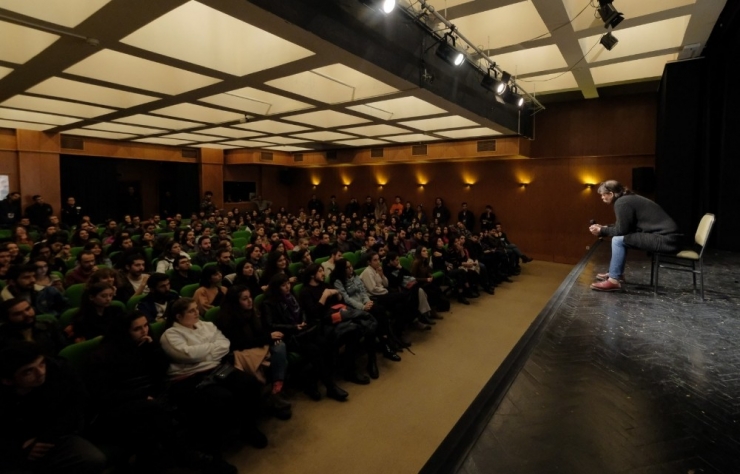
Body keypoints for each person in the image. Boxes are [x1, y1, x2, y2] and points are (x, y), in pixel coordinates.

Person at [160, 298, 267, 452]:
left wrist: (204, 353)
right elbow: (188, 355)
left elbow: (225, 344)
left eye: (196, 308)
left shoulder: (206, 325)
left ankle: (248, 428)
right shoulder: (170, 334)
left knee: (249, 384)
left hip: (215, 368)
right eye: (191, 310)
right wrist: (212, 349)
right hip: (189, 376)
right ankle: (215, 450)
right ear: (178, 316)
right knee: (221, 398)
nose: (197, 312)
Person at [0, 342, 107, 474]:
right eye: (28, 371)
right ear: (7, 381)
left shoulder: (59, 370)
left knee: (93, 459)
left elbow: (76, 406)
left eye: (41, 364)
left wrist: (47, 438)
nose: (41, 372)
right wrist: (18, 448)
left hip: (53, 435)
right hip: (15, 446)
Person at [589, 180, 681, 292]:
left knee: (618, 240)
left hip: (665, 239)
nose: (602, 198)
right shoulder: (628, 199)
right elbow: (626, 226)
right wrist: (604, 227)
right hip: (670, 238)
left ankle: (613, 280)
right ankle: (616, 274)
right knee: (621, 238)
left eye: (603, 195)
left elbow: (622, 230)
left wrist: (602, 230)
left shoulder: (622, 202)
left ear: (611, 194)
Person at [216, 285, 292, 419]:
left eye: (250, 297)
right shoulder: (227, 318)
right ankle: (276, 393)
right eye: (245, 299)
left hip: (255, 346)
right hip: (241, 351)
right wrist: (268, 338)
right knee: (278, 352)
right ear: (235, 301)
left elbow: (260, 332)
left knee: (280, 346)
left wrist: (269, 336)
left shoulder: (251, 312)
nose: (250, 301)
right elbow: (240, 343)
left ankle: (276, 388)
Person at [0, 298, 68, 356]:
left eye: (28, 309)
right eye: (18, 314)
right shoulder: (3, 339)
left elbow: (63, 351)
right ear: (7, 319)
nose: (27, 314)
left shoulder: (49, 326)